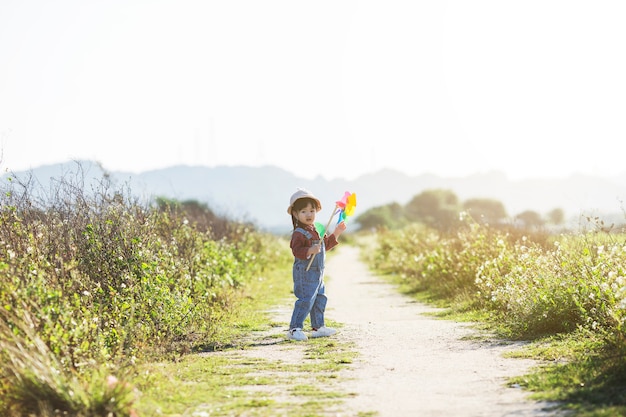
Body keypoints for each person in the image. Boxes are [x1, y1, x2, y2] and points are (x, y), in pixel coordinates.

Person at [286, 188, 347, 341]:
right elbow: (296, 250)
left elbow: (326, 244)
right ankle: (294, 328)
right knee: (306, 299)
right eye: (304, 212)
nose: (309, 215)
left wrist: (337, 232)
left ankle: (318, 327)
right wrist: (309, 250)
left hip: (318, 272)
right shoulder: (298, 233)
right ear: (295, 214)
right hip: (305, 272)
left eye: (312, 211)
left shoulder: (318, 229)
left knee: (320, 298)